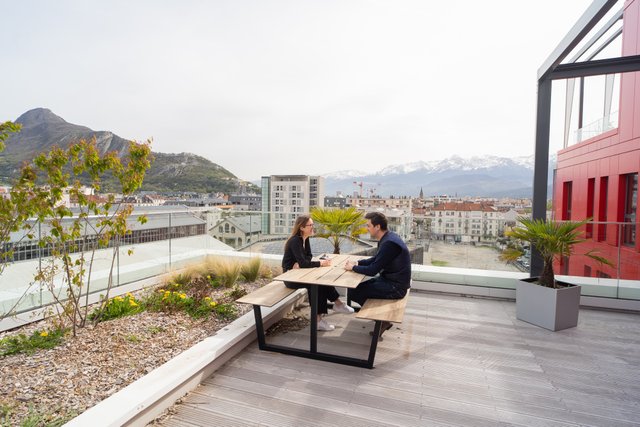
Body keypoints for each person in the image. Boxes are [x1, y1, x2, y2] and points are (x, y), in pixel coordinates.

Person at [344, 212, 411, 338]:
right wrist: (357, 262)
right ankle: (380, 319)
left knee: (354, 292)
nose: (366, 228)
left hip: (396, 287)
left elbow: (372, 270)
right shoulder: (388, 237)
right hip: (391, 281)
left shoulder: (388, 243)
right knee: (355, 289)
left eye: (368, 226)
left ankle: (382, 320)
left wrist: (353, 267)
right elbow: (376, 259)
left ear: (377, 227)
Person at [282, 215, 354, 331]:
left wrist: (301, 263)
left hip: (299, 273)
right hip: (290, 278)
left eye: (312, 225)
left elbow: (308, 257)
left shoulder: (305, 239)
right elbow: (305, 262)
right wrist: (320, 263)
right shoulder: (295, 241)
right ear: (301, 227)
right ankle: (321, 317)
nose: (312, 227)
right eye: (310, 225)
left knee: (321, 281)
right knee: (315, 285)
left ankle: (336, 305)